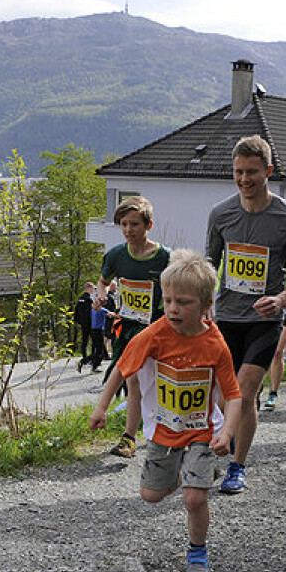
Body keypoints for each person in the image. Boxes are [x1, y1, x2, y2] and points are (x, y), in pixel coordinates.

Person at [89, 250, 241, 572]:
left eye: (183, 302)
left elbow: (233, 394)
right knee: (150, 496)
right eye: (168, 300)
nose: (172, 308)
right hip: (163, 430)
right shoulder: (155, 334)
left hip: (203, 431)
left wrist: (227, 433)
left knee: (194, 498)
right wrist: (101, 407)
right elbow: (120, 370)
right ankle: (190, 474)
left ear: (205, 305)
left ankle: (197, 552)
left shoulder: (216, 344)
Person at [206, 134, 286, 494]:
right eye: (238, 172)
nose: (244, 179)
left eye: (252, 172)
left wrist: (282, 299)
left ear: (268, 171)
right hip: (227, 317)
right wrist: (202, 296)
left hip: (265, 319)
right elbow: (210, 260)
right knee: (224, 395)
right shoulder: (221, 214)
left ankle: (237, 466)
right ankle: (231, 442)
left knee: (246, 390)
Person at [95, 196, 171, 458]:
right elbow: (103, 281)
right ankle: (129, 438)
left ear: (148, 225)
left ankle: (170, 432)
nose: (128, 230)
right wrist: (101, 294)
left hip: (158, 326)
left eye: (134, 224)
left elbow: (180, 286)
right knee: (133, 380)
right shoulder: (116, 255)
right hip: (128, 325)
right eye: (124, 224)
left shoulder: (166, 257)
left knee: (161, 382)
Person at [262, 296, 286, 411]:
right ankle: (258, 385)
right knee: (265, 352)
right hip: (266, 313)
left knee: (277, 352)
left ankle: (273, 393)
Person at [74, 282, 95, 371]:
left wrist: (79, 322)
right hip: (89, 323)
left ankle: (84, 355)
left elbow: (76, 312)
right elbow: (91, 313)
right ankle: (92, 357)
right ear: (89, 288)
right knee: (94, 340)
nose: (93, 290)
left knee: (84, 340)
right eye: (92, 288)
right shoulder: (89, 300)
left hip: (83, 323)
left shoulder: (80, 299)